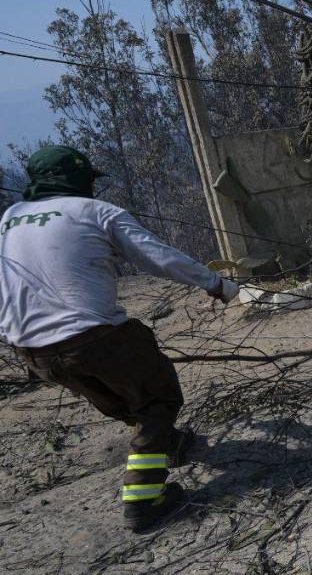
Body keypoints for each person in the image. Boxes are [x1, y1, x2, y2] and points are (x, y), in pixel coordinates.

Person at [0, 146, 239, 531]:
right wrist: (216, 284)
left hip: (32, 351)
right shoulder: (96, 212)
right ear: (77, 180)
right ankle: (143, 502)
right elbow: (157, 256)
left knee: (122, 396)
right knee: (158, 398)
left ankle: (169, 445)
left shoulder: (10, 218)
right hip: (92, 339)